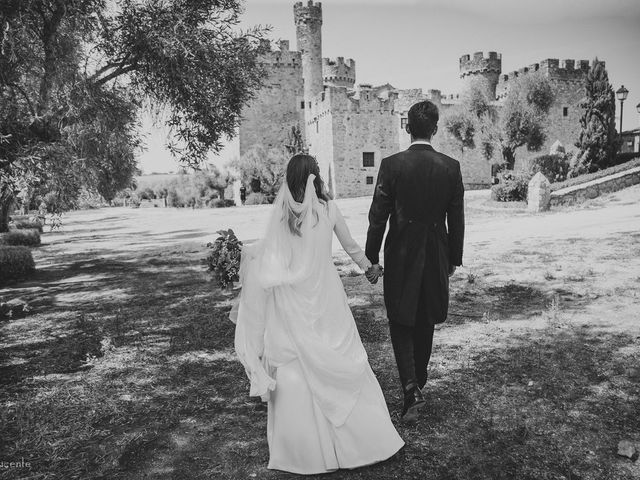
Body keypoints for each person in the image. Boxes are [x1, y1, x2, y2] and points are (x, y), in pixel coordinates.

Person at [231, 154, 404, 475]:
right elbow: (352, 246)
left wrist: (241, 258)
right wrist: (370, 268)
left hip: (292, 299)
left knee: (297, 359)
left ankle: (302, 448)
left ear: (289, 179)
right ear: (316, 177)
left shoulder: (283, 214)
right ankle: (364, 439)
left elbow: (269, 252)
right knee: (337, 355)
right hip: (326, 296)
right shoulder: (328, 210)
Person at [364, 100, 465, 423]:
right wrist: (454, 258)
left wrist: (372, 257)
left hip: (401, 254)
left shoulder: (391, 165)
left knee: (399, 317)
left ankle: (411, 387)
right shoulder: (451, 167)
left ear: (407, 128)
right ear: (435, 129)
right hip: (436, 251)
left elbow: (377, 217)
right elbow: (457, 220)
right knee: (426, 318)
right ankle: (417, 383)